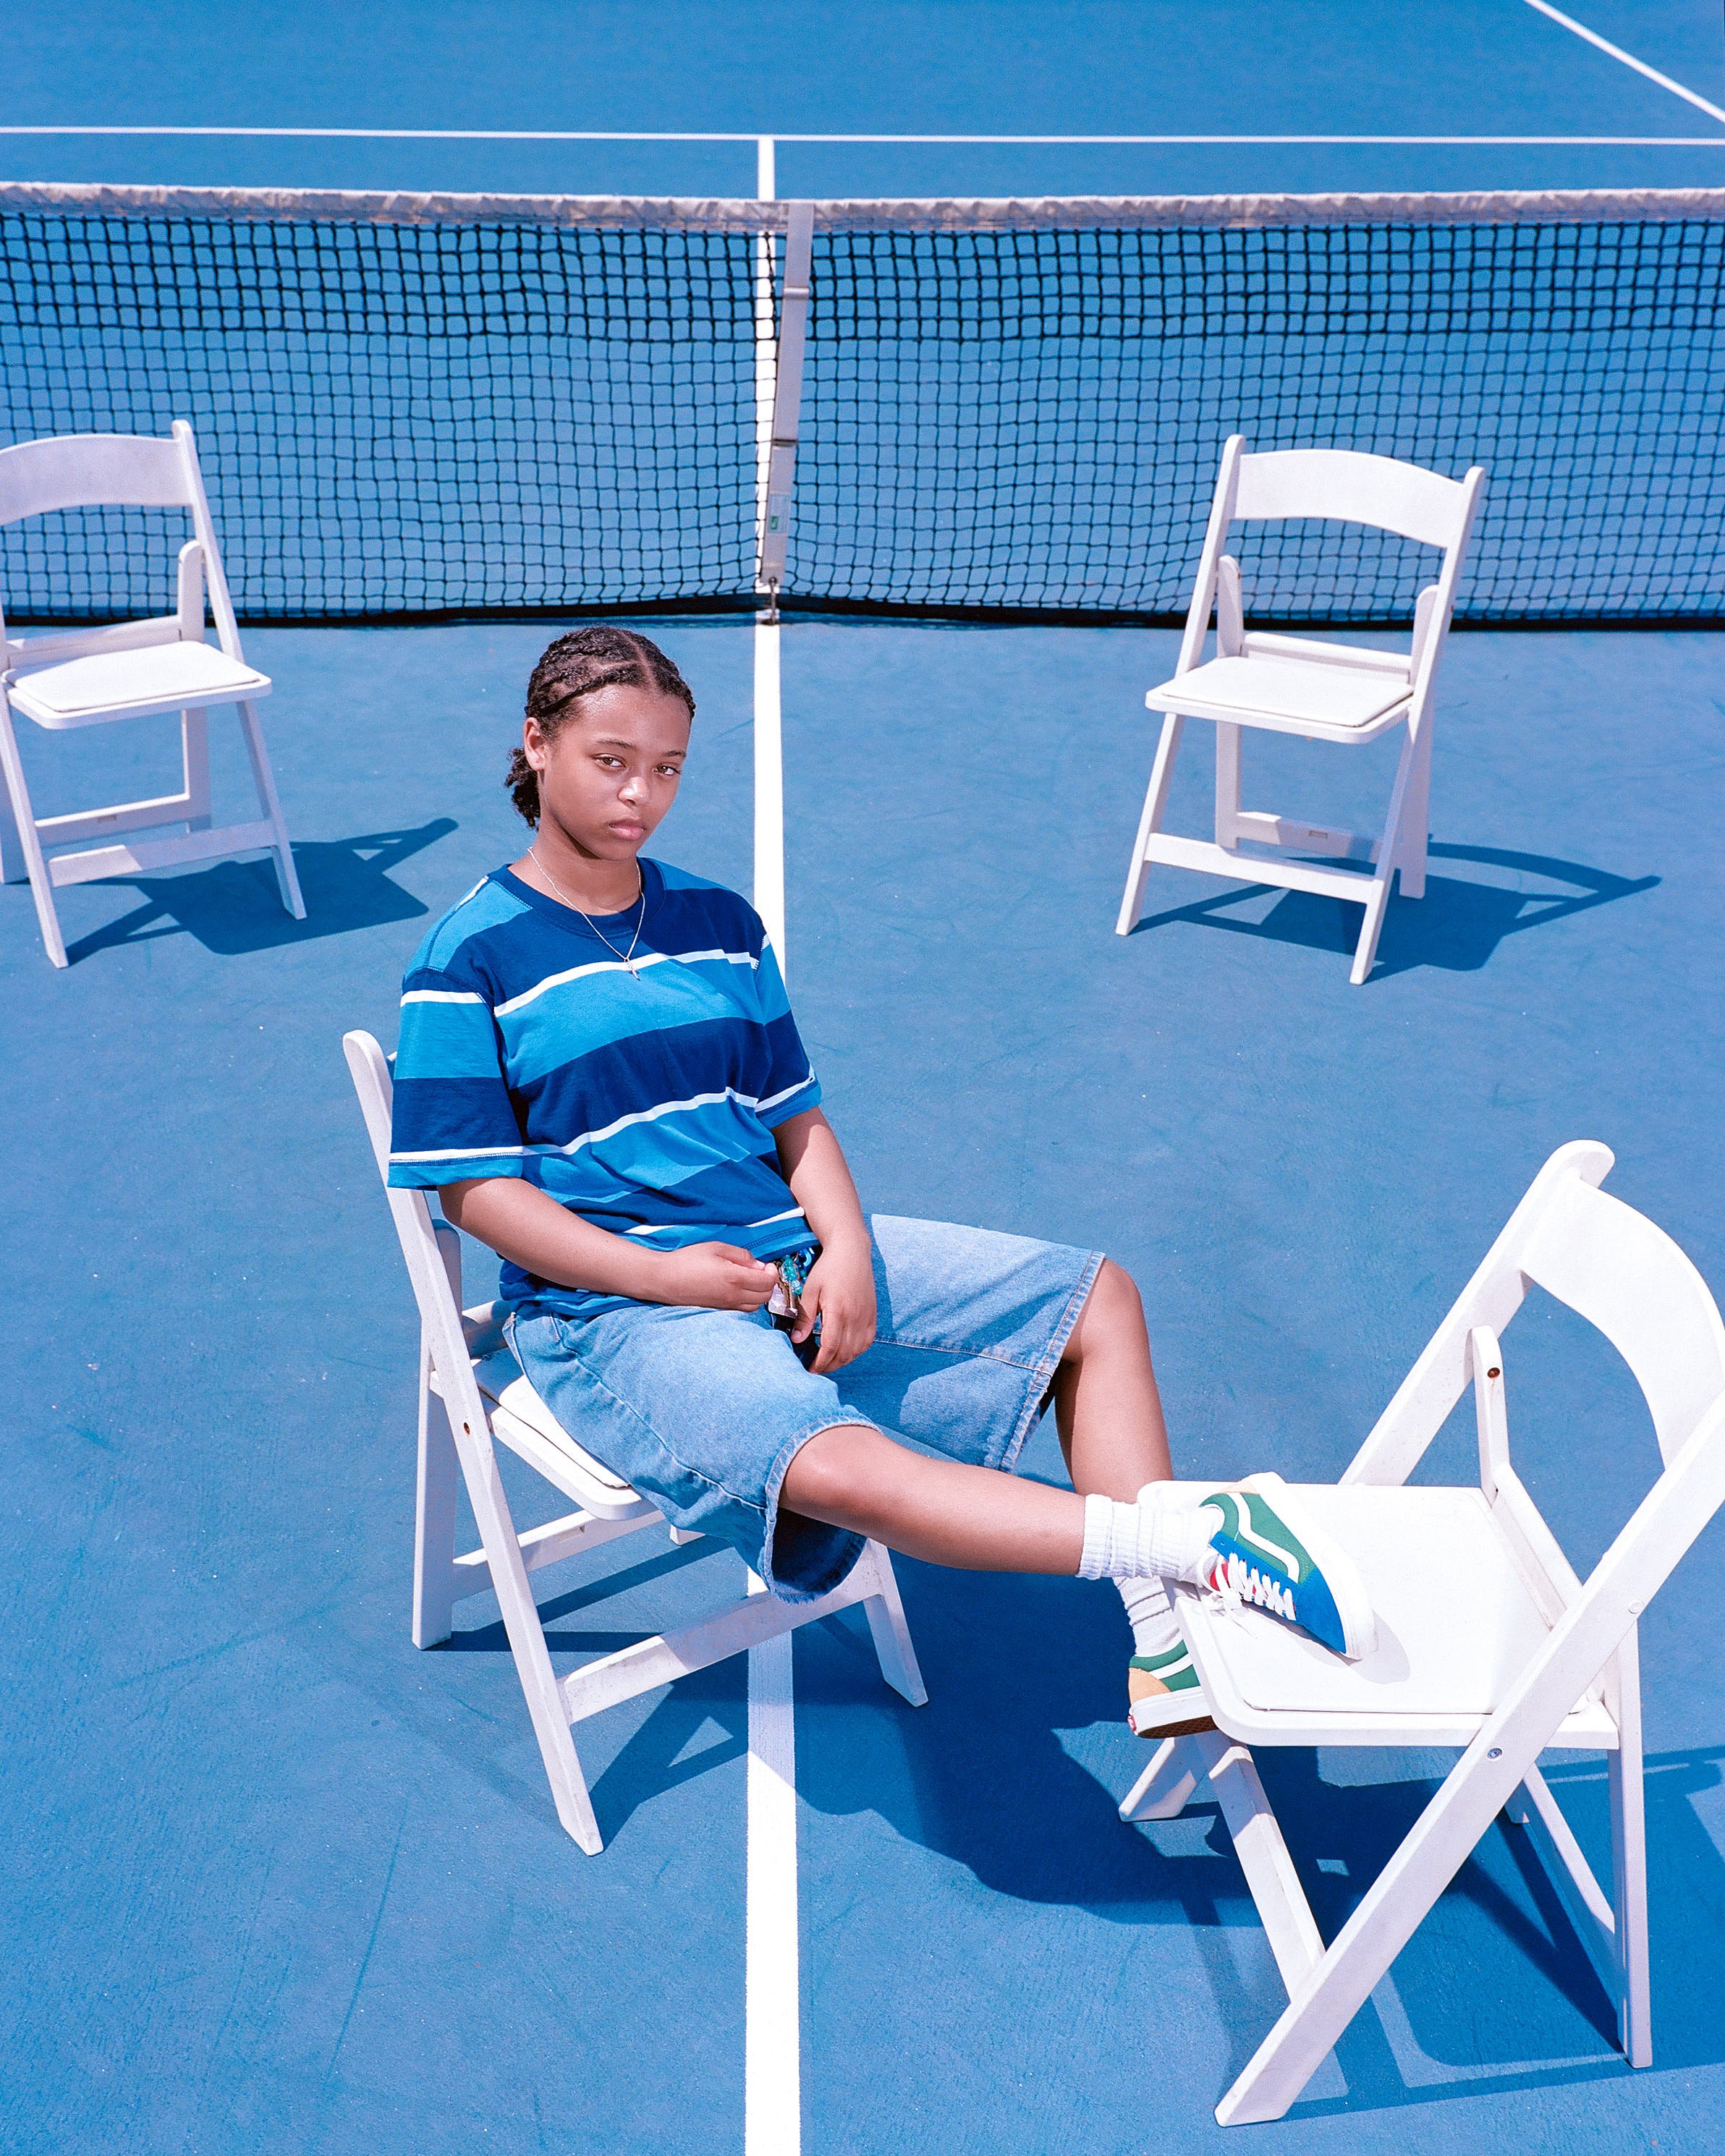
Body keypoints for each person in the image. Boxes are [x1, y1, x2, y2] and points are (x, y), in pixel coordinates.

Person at [387, 626, 1375, 1741]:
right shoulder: (466, 957)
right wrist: (664, 1277)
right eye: (611, 761)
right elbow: (476, 1196)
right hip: (613, 1310)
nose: (641, 796)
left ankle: (1163, 1635)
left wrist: (847, 1250)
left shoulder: (719, 923)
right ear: (538, 744)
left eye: (666, 768)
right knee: (843, 1467)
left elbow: (795, 1118)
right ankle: (1194, 1546)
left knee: (1097, 1301)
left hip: (786, 1259)